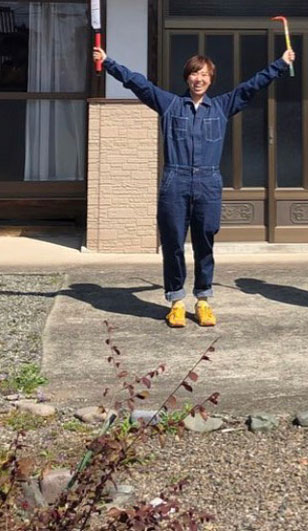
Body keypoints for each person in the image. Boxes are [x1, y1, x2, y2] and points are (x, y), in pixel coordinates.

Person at [93, 43, 295, 328]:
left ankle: (203, 300)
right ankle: (176, 301)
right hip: (174, 181)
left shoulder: (222, 106)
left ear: (211, 79)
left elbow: (251, 87)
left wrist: (281, 64)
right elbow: (138, 83)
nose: (198, 79)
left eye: (204, 75)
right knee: (173, 242)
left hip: (208, 182)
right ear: (186, 77)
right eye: (194, 74)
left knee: (205, 242)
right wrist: (108, 61)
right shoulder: (170, 104)